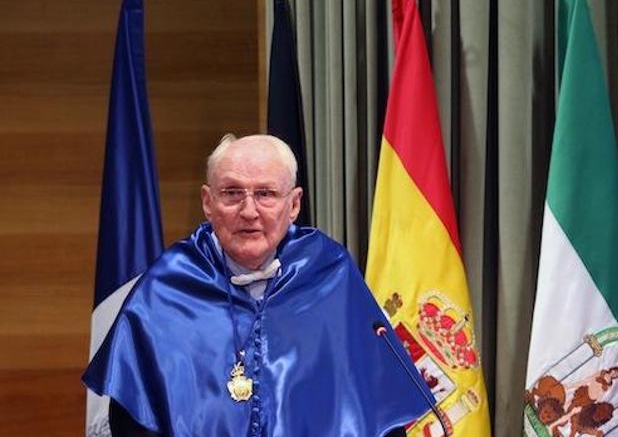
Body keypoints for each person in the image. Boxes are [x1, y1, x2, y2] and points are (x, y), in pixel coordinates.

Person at [84, 134, 427, 436]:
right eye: (232, 193)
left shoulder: (330, 276)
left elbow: (379, 413)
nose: (249, 210)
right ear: (208, 202)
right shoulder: (168, 286)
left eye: (265, 194)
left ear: (293, 205)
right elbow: (132, 417)